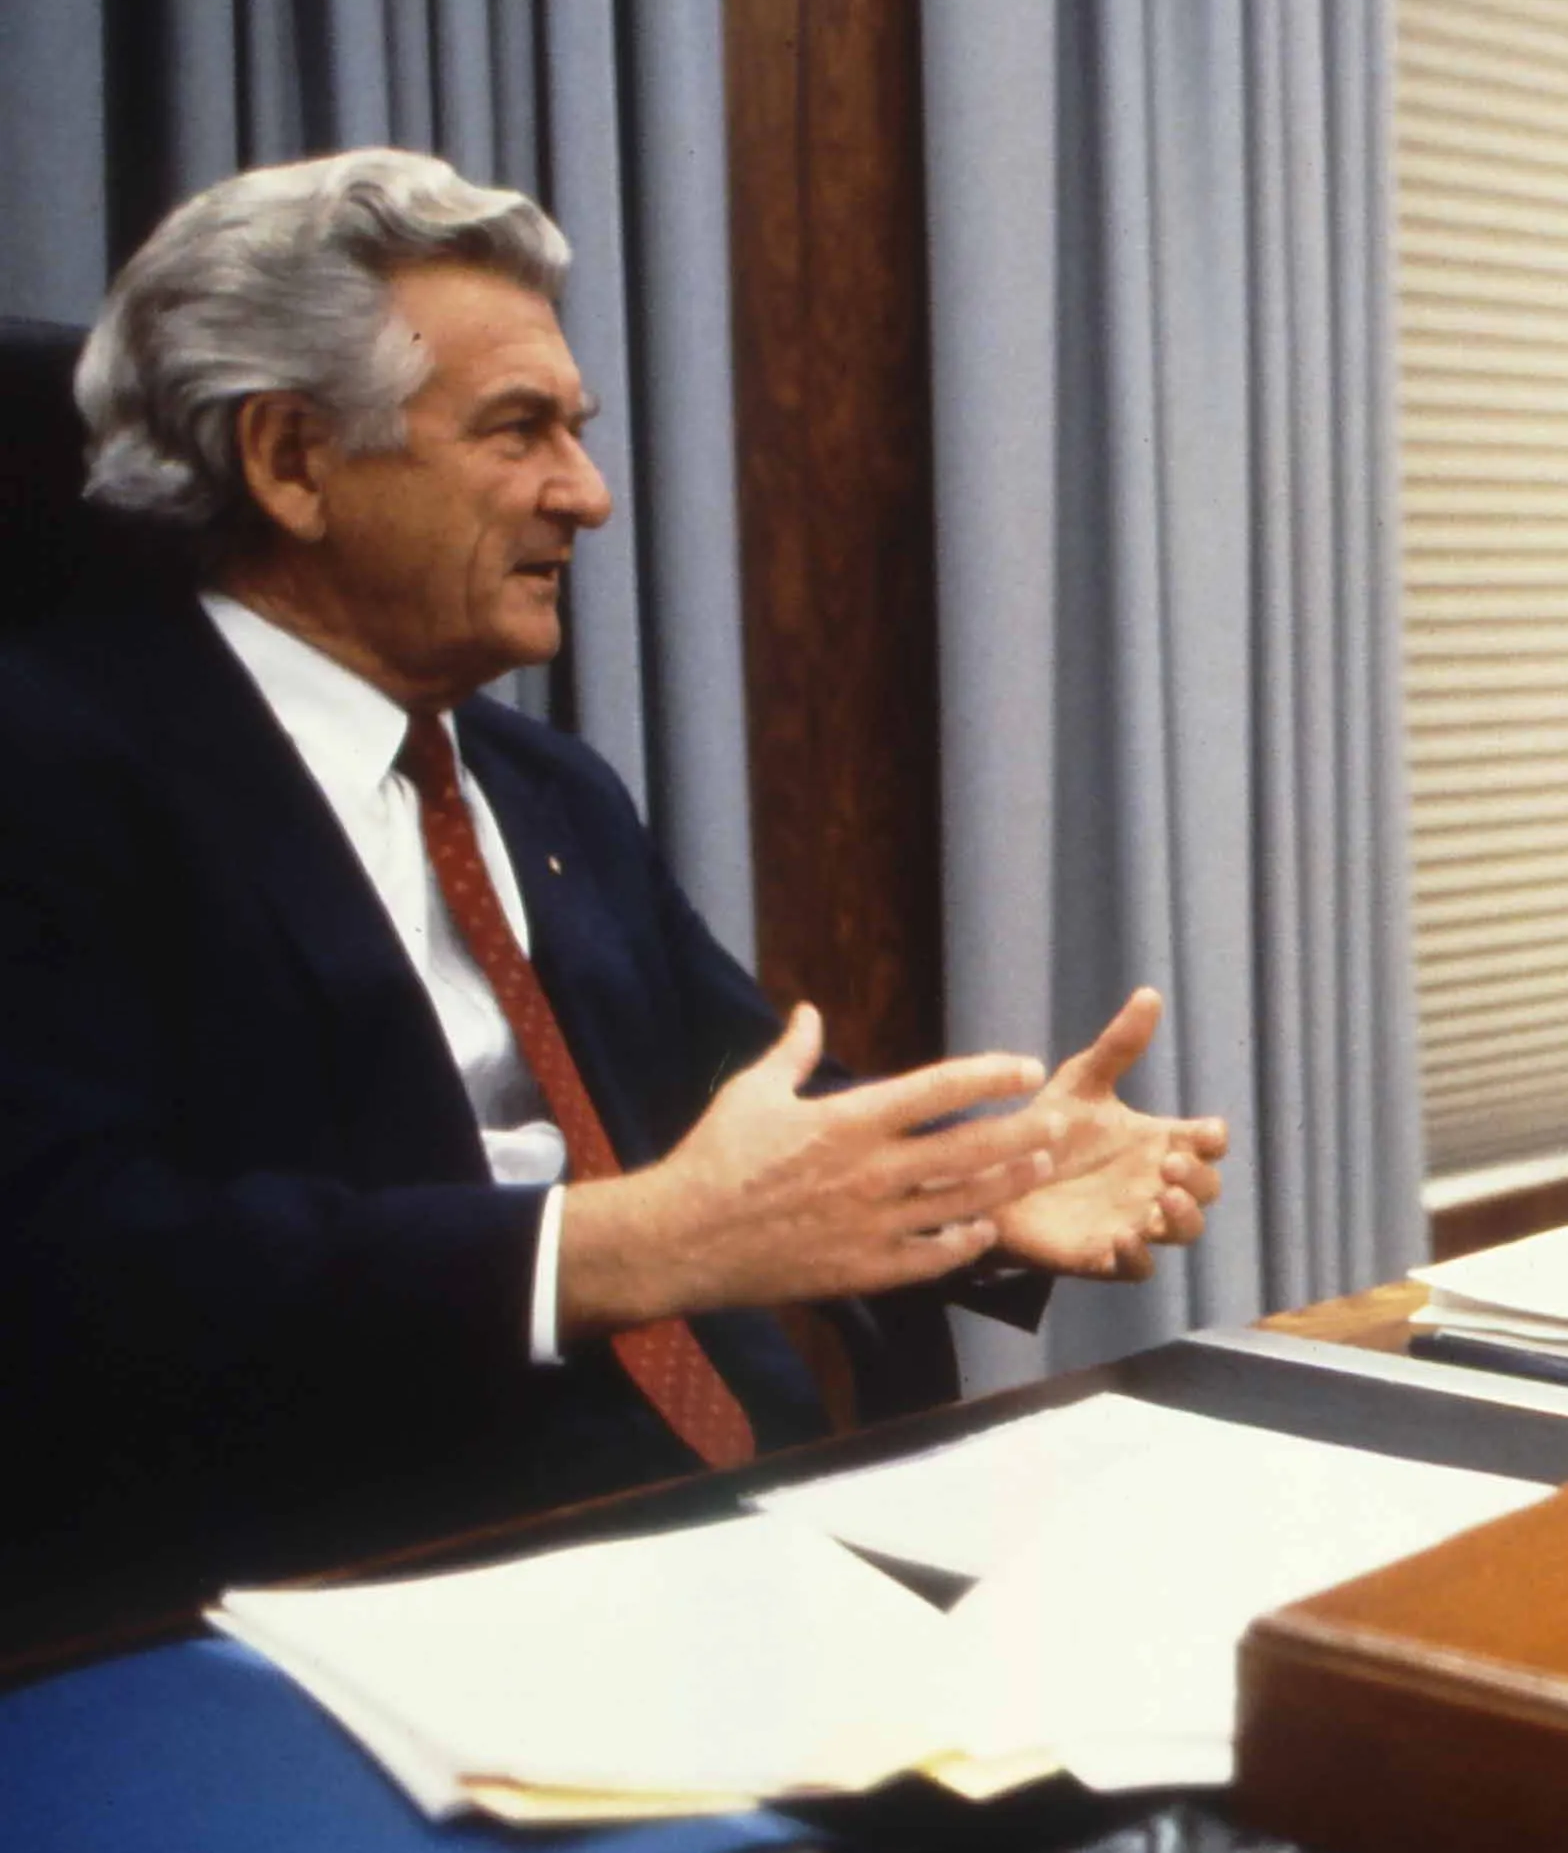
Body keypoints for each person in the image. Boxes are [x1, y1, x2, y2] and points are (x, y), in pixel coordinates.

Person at [0, 150, 1231, 1634]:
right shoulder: (58, 767)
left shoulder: (544, 785)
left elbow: (759, 1102)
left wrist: (993, 1178)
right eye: (517, 432)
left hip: (741, 1524)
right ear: (291, 460)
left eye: (576, 432)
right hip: (353, 1582)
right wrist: (625, 1246)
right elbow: (74, 1265)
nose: (585, 495)